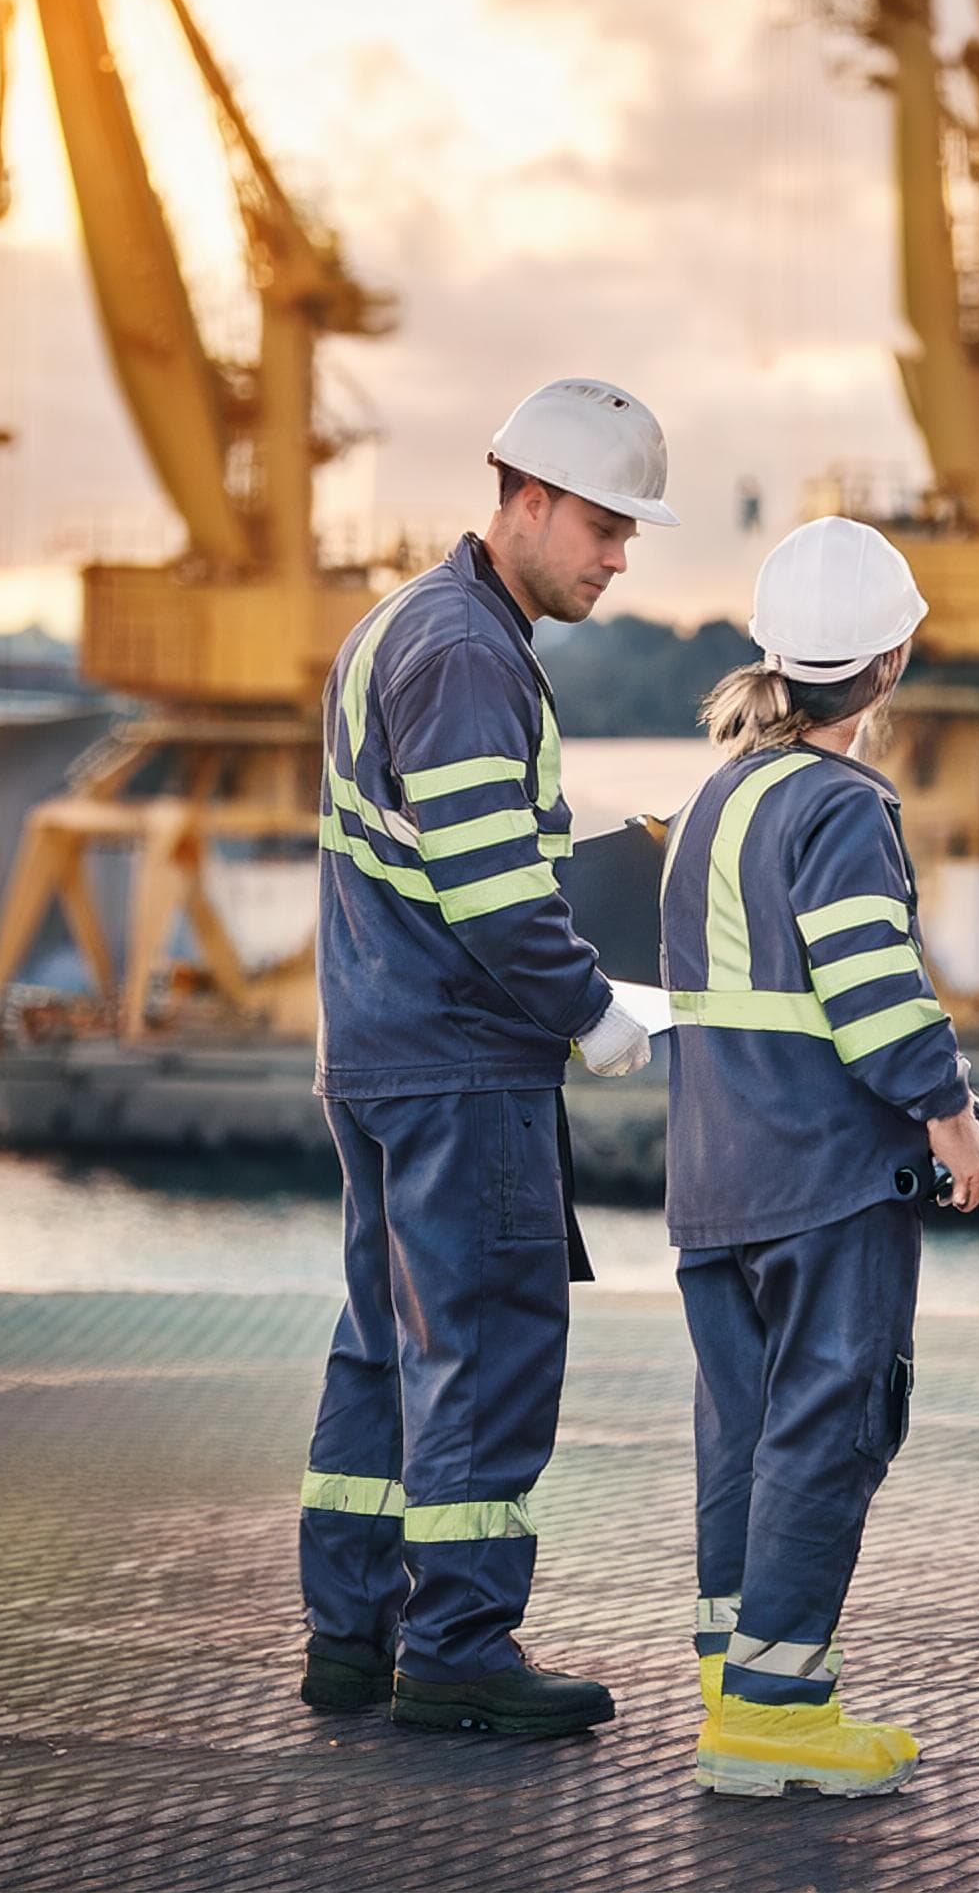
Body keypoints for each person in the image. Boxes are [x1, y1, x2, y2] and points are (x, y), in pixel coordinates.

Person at [297, 378, 672, 1736]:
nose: (620, 556)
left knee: (383, 1349)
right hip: (461, 1065)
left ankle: (351, 1638)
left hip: (380, 1050)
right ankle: (457, 1647)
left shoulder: (407, 624)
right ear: (526, 497)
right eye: (605, 524)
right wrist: (595, 1012)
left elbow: (449, 860)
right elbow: (492, 885)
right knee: (488, 1343)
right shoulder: (464, 649)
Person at [660, 515, 979, 1798]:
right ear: (893, 660)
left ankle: (734, 1676)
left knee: (741, 1431)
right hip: (823, 1186)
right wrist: (953, 1115)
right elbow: (872, 989)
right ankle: (775, 1715)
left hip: (711, 1187)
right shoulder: (845, 806)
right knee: (829, 1426)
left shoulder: (712, 803)